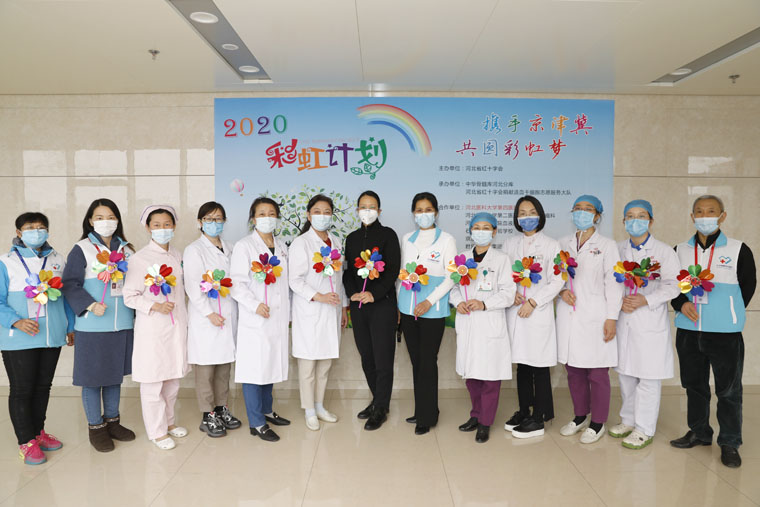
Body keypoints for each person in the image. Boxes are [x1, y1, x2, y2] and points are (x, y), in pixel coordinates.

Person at [669, 195, 756, 468]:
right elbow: (671, 286)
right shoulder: (679, 250)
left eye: (711, 211)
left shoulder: (738, 249)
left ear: (722, 216)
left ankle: (729, 442)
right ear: (692, 216)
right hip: (688, 330)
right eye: (699, 211)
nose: (704, 216)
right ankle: (699, 432)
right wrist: (681, 304)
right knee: (694, 385)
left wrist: (727, 312)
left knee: (728, 390)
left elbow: (748, 286)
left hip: (725, 333)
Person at [61, 199, 136, 452]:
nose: (106, 222)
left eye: (111, 216)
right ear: (90, 221)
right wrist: (91, 305)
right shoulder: (81, 249)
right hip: (92, 327)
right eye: (100, 217)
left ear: (118, 220)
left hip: (121, 325)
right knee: (92, 380)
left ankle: (113, 422)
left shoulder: (127, 250)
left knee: (114, 377)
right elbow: (70, 284)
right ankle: (95, 426)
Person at [0, 212, 74, 465]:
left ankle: (38, 432)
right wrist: (16, 321)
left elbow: (65, 297)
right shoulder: (5, 262)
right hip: (19, 336)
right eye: (30, 227)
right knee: (22, 389)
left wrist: (70, 326)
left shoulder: (57, 259)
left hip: (51, 335)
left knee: (43, 387)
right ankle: (26, 441)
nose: (36, 231)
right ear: (19, 233)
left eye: (41, 227)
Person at [608, 199, 680, 449]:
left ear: (651, 220)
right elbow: (610, 283)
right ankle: (628, 420)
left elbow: (674, 285)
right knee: (626, 375)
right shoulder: (617, 249)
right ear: (623, 221)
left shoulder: (663, 251)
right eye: (630, 216)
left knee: (648, 378)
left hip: (649, 321)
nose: (635, 220)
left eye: (641, 216)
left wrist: (646, 299)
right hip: (624, 320)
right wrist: (618, 302)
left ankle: (644, 429)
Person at [556, 195, 623, 444]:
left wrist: (611, 318)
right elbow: (556, 278)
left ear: (597, 215)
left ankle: (598, 422)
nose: (582, 212)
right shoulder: (562, 243)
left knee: (597, 372)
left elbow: (614, 284)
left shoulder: (607, 245)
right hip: (569, 315)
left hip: (596, 315)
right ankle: (580, 416)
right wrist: (562, 292)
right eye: (578, 208)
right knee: (573, 370)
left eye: (588, 209)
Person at [123, 205, 189, 450]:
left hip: (176, 327)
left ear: (174, 226)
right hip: (153, 329)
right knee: (153, 382)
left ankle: (169, 423)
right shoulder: (140, 259)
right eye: (157, 225)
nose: (163, 229)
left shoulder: (178, 255)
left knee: (172, 380)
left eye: (167, 224)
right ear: (148, 228)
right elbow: (130, 296)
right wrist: (154, 306)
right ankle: (157, 431)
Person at [503, 196, 565, 439]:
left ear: (539, 215)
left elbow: (557, 280)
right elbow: (503, 276)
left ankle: (539, 416)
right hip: (515, 310)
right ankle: (524, 411)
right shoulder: (509, 244)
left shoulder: (552, 245)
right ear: (516, 218)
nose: (526, 217)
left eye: (531, 212)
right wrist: (512, 294)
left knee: (538, 365)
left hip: (537, 312)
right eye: (522, 213)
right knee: (522, 364)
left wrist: (533, 301)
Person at [231, 197, 291, 442]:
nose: (268, 218)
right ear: (253, 219)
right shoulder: (244, 246)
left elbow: (285, 284)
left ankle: (267, 410)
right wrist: (255, 305)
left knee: (270, 365)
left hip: (277, 317)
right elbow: (236, 284)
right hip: (255, 318)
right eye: (262, 213)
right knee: (254, 369)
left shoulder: (282, 246)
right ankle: (256, 422)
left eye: (272, 213)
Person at [451, 212, 515, 443]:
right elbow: (453, 287)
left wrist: (484, 304)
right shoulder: (461, 259)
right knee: (471, 377)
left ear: (494, 231)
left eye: (486, 227)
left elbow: (508, 293)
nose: (481, 231)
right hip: (468, 323)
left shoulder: (502, 259)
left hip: (489, 323)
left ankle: (485, 422)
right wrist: (458, 302)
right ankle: (476, 415)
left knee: (490, 378)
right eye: (476, 227)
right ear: (470, 231)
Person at [398, 192, 457, 435]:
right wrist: (399, 307)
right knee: (416, 361)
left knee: (427, 362)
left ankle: (428, 416)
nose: (424, 214)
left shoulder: (447, 240)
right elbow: (403, 274)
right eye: (419, 210)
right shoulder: (407, 239)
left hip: (433, 310)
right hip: (408, 308)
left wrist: (429, 301)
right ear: (413, 213)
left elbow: (452, 276)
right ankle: (422, 409)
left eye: (428, 209)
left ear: (436, 212)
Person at [288, 195, 348, 431]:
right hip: (310, 311)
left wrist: (344, 307)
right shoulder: (301, 243)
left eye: (327, 212)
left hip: (332, 311)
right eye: (317, 211)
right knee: (308, 366)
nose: (322, 216)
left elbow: (339, 279)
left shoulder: (336, 241)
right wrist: (319, 296)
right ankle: (309, 410)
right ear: (308, 215)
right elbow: (294, 280)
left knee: (325, 364)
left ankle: (320, 405)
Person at [343, 190, 401, 431]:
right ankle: (377, 400)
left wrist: (373, 294)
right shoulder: (352, 238)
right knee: (366, 356)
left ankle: (381, 408)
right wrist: (352, 293)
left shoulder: (388, 235)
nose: (367, 211)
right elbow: (347, 272)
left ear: (379, 210)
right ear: (357, 210)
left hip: (382, 305)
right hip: (359, 307)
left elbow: (393, 271)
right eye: (363, 207)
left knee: (382, 358)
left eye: (372, 207)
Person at [183, 201, 241, 439]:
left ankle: (221, 408)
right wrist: (209, 313)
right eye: (208, 219)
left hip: (228, 315)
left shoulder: (231, 248)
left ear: (224, 222)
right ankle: (207, 415)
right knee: (206, 369)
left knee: (224, 367)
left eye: (218, 219)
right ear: (200, 222)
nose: (214, 223)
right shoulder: (194, 250)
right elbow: (192, 286)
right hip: (206, 319)